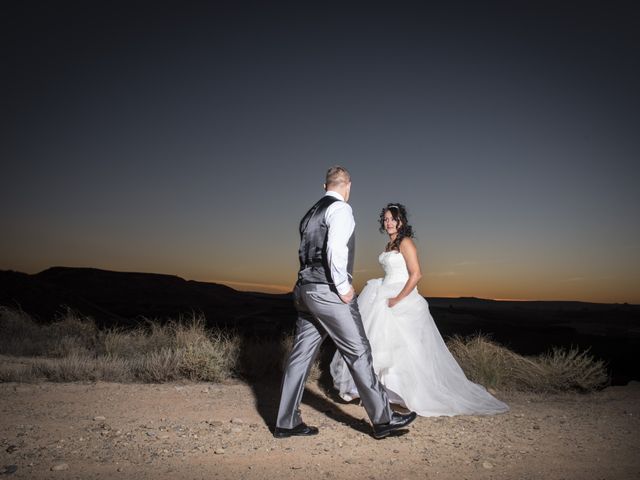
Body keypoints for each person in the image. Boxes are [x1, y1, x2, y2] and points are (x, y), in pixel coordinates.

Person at [274, 167, 417, 439]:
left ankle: (286, 421)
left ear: (324, 185)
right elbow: (335, 250)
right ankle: (384, 419)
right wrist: (343, 288)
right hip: (328, 292)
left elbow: (305, 252)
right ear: (348, 185)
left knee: (300, 356)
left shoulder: (310, 213)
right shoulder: (341, 210)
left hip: (304, 290)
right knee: (359, 352)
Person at [330, 203, 509, 416]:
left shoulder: (406, 242)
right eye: (385, 219)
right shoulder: (390, 244)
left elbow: (416, 274)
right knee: (380, 343)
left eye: (392, 219)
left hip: (400, 296)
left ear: (401, 221)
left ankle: (404, 394)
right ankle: (381, 392)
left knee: (404, 348)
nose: (388, 223)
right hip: (383, 291)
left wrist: (397, 299)